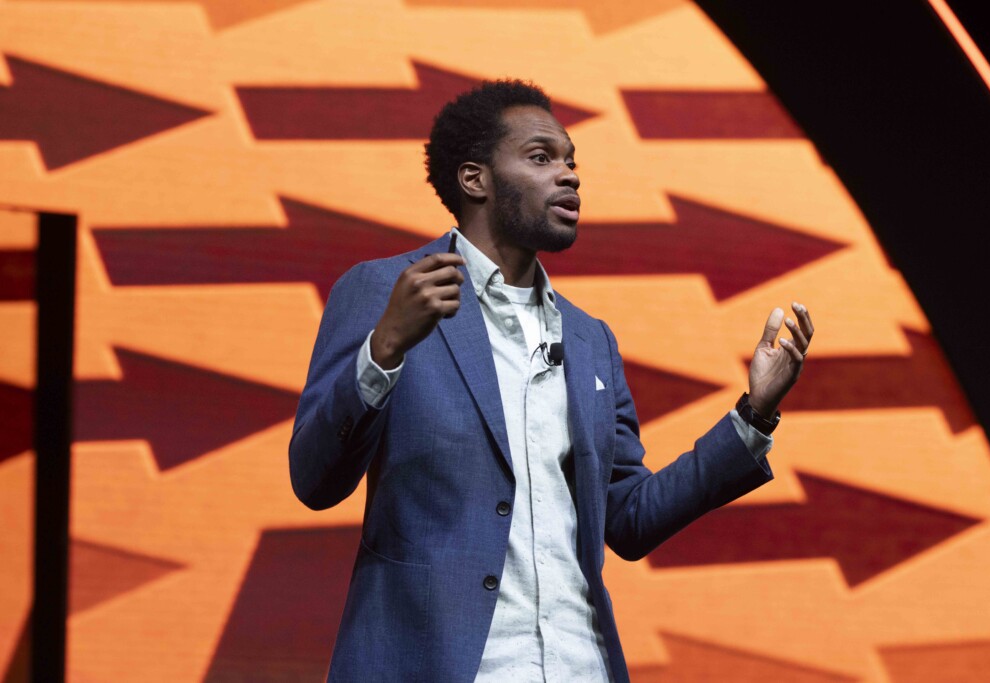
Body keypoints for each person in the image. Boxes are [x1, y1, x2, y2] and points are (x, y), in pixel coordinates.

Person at [289, 79, 813, 682]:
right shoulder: (387, 292)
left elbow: (630, 518)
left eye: (571, 161)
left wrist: (754, 415)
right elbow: (315, 480)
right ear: (475, 179)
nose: (569, 176)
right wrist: (383, 350)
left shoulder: (591, 340)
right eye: (541, 158)